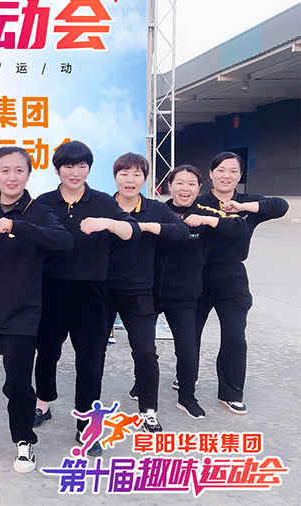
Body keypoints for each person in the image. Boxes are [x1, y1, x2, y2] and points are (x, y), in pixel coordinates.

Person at [0, 146, 72, 474]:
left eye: (19, 170)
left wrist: (18, 227)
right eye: (5, 170)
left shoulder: (39, 212)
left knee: (18, 383)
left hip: (22, 314)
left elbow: (64, 243)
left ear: (28, 175)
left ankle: (24, 440)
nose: (12, 177)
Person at [33, 141, 140, 457]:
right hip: (50, 291)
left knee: (91, 361)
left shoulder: (104, 202)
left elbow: (131, 231)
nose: (75, 172)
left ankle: (86, 425)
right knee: (46, 353)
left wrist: (107, 223)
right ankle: (43, 403)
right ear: (57, 169)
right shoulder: (44, 202)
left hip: (92, 294)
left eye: (82, 166)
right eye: (69, 166)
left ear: (89, 169)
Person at [195, 152, 288, 415]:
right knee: (190, 333)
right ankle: (186, 377)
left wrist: (243, 207)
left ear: (240, 175)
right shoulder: (198, 202)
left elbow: (280, 206)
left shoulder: (248, 203)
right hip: (197, 276)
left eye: (233, 171)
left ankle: (231, 392)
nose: (226, 176)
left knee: (235, 336)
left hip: (233, 277)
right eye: (221, 170)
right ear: (211, 173)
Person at [152, 165, 247, 420]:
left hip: (184, 296)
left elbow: (238, 228)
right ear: (169, 185)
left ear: (199, 187)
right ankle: (142, 384)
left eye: (191, 184)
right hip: (150, 292)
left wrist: (207, 220)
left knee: (187, 349)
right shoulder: (157, 210)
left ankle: (187, 396)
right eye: (179, 183)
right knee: (144, 348)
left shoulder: (205, 212)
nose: (185, 189)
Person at [106, 153, 188, 433]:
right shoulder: (103, 205)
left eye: (137, 174)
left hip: (139, 292)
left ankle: (148, 411)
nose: (130, 180)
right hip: (101, 291)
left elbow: (181, 232)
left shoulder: (155, 209)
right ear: (115, 177)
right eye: (124, 173)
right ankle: (87, 411)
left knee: (145, 352)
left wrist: (146, 227)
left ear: (145, 178)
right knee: (93, 353)